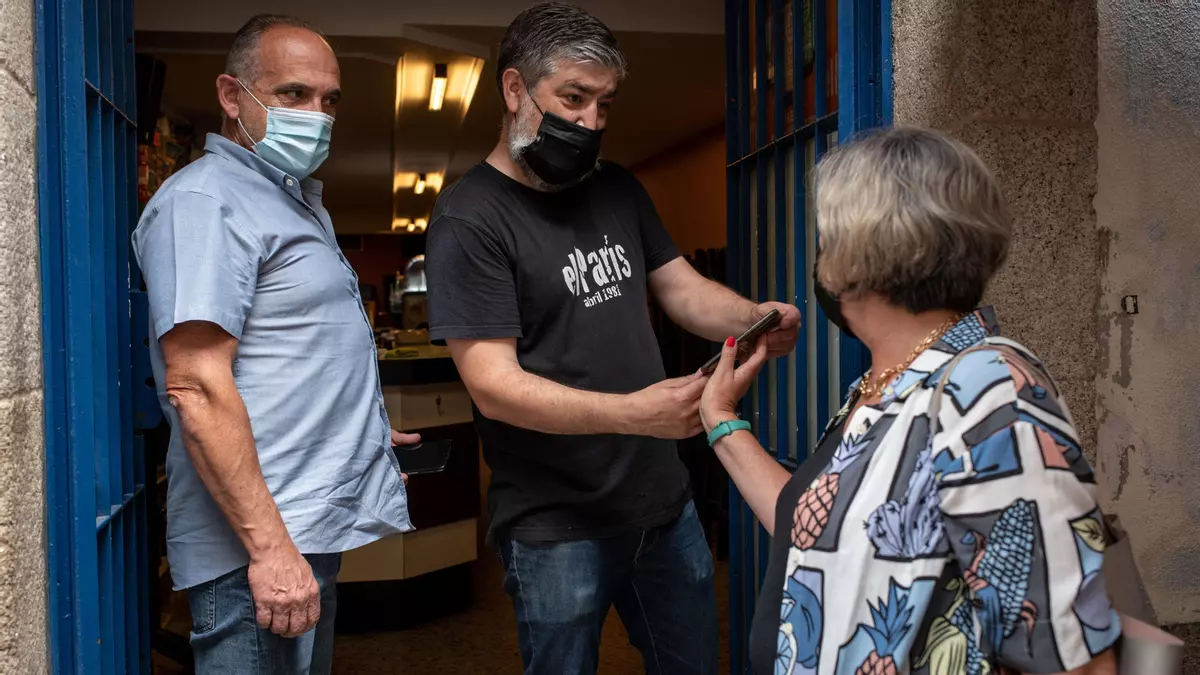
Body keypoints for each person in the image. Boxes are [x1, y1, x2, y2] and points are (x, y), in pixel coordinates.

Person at [423, 3, 800, 674]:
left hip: (662, 503)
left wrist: (753, 317)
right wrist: (635, 413)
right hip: (554, 523)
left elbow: (682, 291)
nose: (591, 123)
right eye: (573, 98)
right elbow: (493, 386)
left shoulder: (618, 188)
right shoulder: (469, 218)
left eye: (604, 105)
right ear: (514, 89)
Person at [700, 126, 1120, 675]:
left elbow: (1074, 658)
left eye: (826, 235)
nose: (819, 254)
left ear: (856, 256)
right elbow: (816, 533)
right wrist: (721, 420)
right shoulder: (891, 382)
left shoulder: (989, 390)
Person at [132, 15, 414, 675]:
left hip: (298, 532)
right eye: (293, 94)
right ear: (232, 96)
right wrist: (270, 551)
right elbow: (196, 385)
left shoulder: (288, 201)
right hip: (256, 545)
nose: (317, 115)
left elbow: (284, 353)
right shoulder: (206, 201)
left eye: (329, 100)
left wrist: (357, 431)